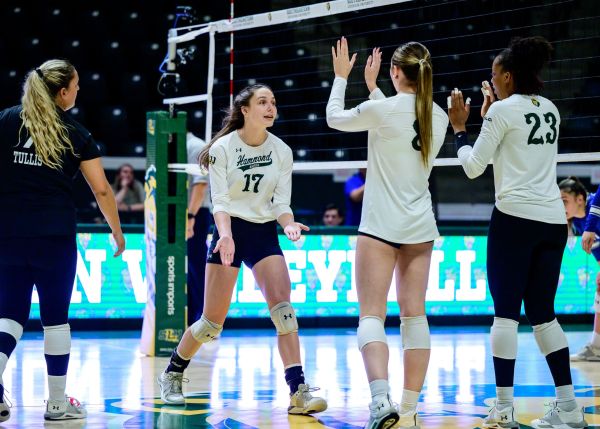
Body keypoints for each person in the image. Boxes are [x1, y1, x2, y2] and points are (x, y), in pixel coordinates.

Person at [157, 84, 327, 416]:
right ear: (245, 110)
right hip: (229, 230)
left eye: (273, 102)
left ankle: (298, 391)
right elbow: (219, 201)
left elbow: (281, 203)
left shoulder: (282, 151)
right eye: (262, 102)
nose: (271, 107)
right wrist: (225, 235)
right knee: (210, 324)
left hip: (263, 233)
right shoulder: (222, 148)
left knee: (285, 313)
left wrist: (288, 223)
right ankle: (173, 373)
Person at [448, 36, 587, 428]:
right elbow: (516, 149)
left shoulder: (501, 110)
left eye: (494, 75)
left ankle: (504, 410)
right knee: (544, 316)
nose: (491, 81)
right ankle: (569, 409)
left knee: (506, 316)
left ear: (507, 76)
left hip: (514, 220)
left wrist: (460, 129)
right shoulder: (550, 108)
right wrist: (491, 118)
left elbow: (473, 167)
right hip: (552, 222)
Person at [326, 37, 449, 429]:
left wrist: (341, 77)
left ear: (395, 71)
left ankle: (381, 402)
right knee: (414, 317)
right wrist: (374, 88)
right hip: (419, 227)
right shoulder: (439, 116)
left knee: (371, 316)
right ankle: (409, 410)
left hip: (379, 226)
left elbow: (335, 118)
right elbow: (399, 126)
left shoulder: (382, 110)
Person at [0, 59, 125, 422]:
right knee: (55, 320)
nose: (79, 90)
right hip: (53, 236)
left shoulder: (5, 120)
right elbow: (102, 190)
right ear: (63, 92)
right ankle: (57, 405)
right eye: (76, 85)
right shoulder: (75, 132)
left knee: (9, 315)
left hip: (8, 232)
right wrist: (116, 231)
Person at [559, 177, 600, 362]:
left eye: (564, 201)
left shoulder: (594, 209)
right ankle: (596, 347)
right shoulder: (577, 222)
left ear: (580, 199)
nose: (561, 206)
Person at [185, 129, 212, 325]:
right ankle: (190, 318)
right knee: (188, 269)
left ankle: (204, 318)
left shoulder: (195, 146)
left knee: (197, 267)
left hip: (196, 213)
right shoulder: (172, 148)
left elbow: (200, 185)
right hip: (185, 212)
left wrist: (190, 216)